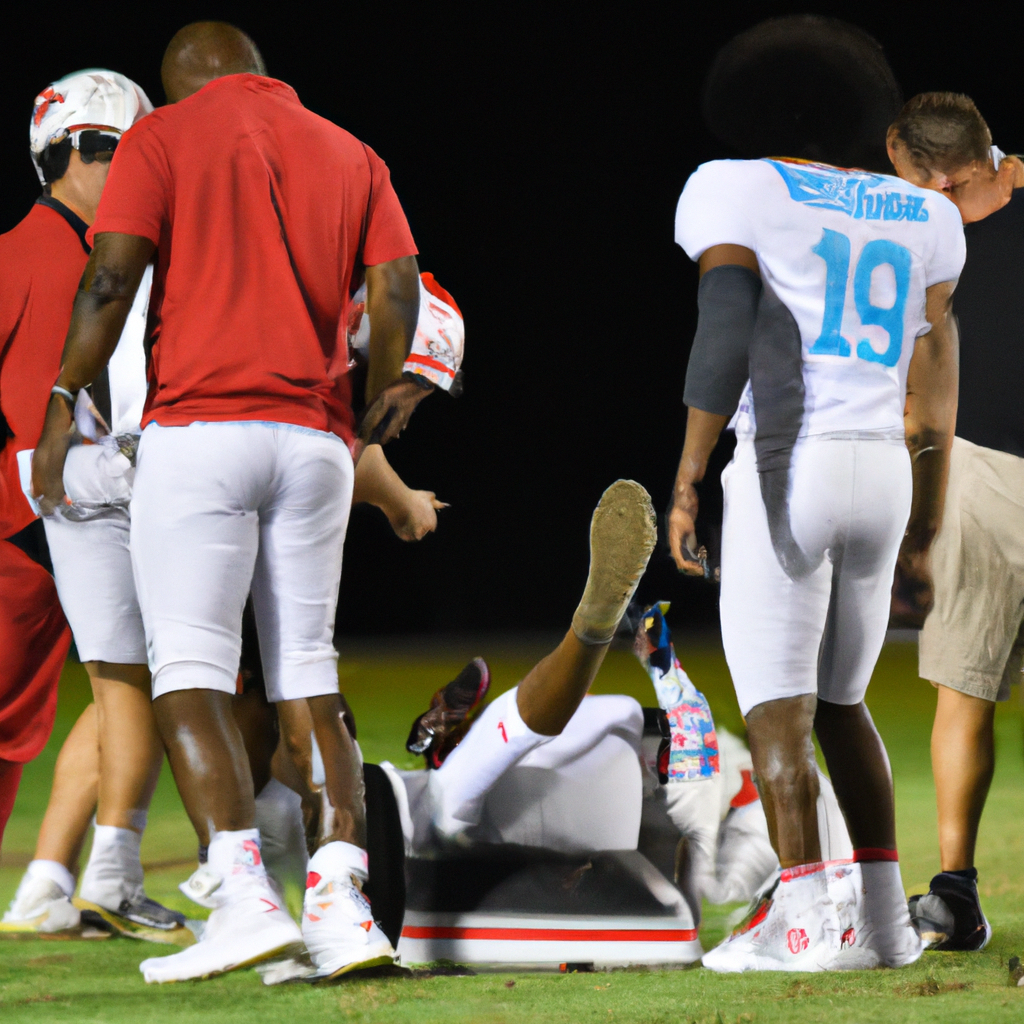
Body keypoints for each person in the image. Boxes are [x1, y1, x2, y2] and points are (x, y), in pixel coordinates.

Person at [32, 22, 426, 983]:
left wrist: (61, 402)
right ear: (259, 72)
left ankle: (243, 897)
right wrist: (379, 387)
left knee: (191, 673)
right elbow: (398, 282)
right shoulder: (349, 148)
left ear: (175, 87)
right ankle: (341, 910)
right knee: (309, 675)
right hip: (316, 436)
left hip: (203, 430)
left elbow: (112, 275)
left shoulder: (163, 137)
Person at [667, 16, 964, 972]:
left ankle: (803, 929)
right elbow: (930, 371)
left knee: (775, 713)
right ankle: (882, 925)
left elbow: (725, 328)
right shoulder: (923, 212)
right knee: (844, 704)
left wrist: (685, 478)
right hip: (880, 463)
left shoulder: (735, 185)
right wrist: (924, 515)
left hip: (787, 462)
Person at [0, 71, 155, 863]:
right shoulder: (60, 262)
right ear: (82, 151)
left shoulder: (51, 250)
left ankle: (63, 885)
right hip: (20, 548)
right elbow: (41, 454)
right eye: (131, 155)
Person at [887, 92, 1024, 951]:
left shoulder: (930, 233)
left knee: (964, 691)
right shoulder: (933, 234)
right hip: (975, 464)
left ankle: (954, 894)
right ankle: (954, 892)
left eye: (910, 182)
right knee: (964, 686)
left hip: (975, 467)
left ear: (942, 174)